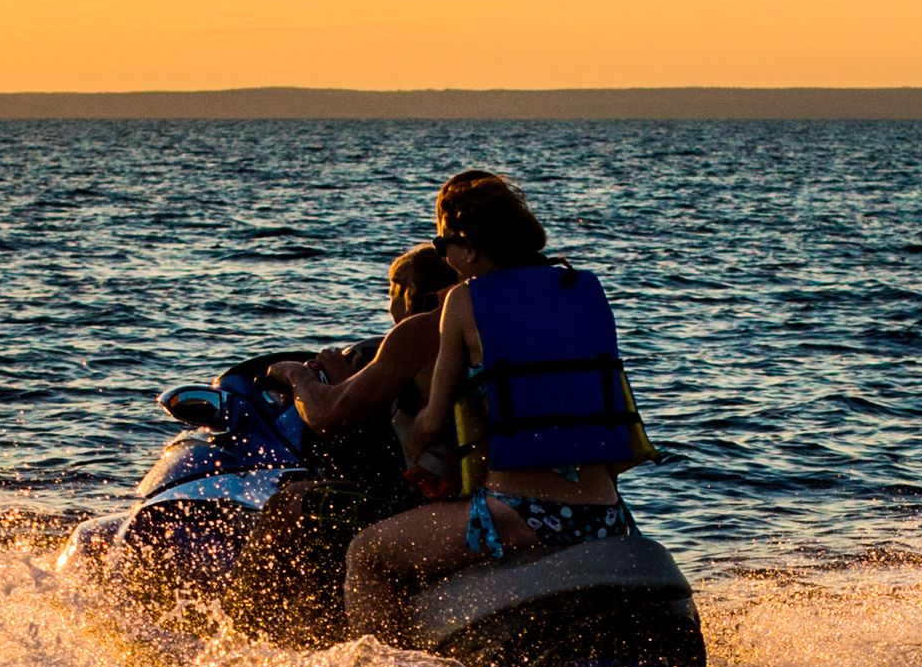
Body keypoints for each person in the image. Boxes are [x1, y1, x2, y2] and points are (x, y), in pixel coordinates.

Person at [346, 170, 648, 641]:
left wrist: (414, 460)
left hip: (524, 513)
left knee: (368, 556)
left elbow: (432, 420)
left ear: (468, 247)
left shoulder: (465, 300)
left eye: (444, 246)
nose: (445, 259)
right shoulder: (585, 288)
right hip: (609, 513)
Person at [227, 242, 465, 642]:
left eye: (394, 291)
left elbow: (329, 420)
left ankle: (243, 633)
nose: (390, 306)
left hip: (427, 504)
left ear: (417, 297)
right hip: (472, 490)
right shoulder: (476, 330)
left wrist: (299, 377)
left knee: (292, 502)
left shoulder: (418, 336)